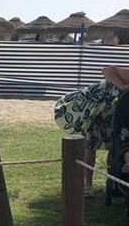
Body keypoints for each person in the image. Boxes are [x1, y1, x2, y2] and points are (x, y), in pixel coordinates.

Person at [54, 65, 129, 195]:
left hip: (112, 112)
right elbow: (106, 70)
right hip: (95, 104)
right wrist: (122, 87)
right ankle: (87, 184)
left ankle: (113, 184)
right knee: (90, 144)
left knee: (114, 144)